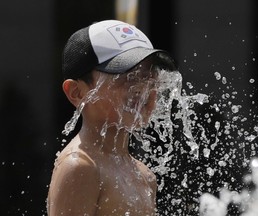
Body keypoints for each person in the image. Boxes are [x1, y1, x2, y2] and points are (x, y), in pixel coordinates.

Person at [47, 20, 177, 215]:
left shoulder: (144, 175)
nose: (142, 89)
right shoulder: (81, 167)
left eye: (149, 76)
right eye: (126, 76)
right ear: (76, 92)